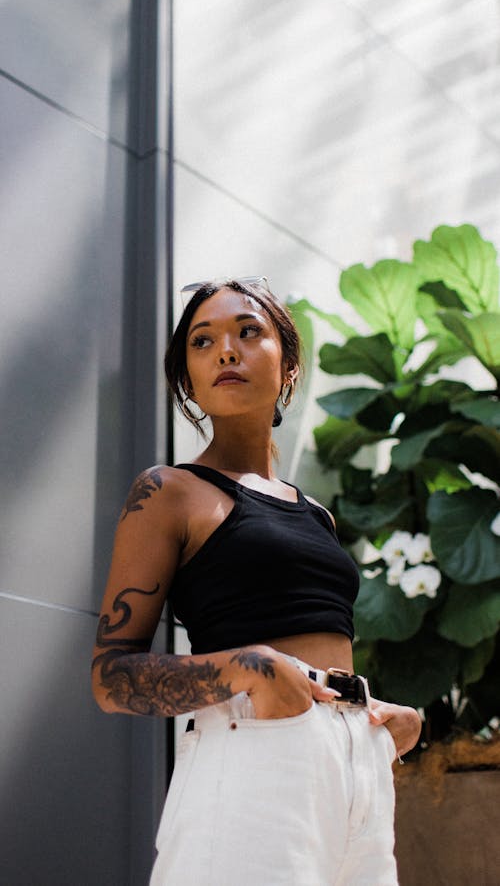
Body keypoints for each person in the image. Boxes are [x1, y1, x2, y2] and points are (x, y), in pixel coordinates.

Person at [92, 278, 421, 886]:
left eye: (248, 331)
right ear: (187, 378)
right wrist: (249, 667)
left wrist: (381, 717)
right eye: (202, 340)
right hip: (254, 747)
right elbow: (111, 679)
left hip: (358, 765)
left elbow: (314, 643)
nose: (225, 350)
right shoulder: (169, 493)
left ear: (288, 363)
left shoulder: (314, 513)